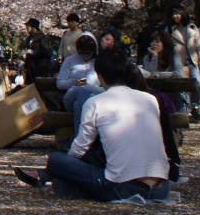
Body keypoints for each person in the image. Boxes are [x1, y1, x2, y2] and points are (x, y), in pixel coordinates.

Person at [15, 50, 171, 201]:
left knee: (56, 160)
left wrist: (63, 166)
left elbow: (80, 148)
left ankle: (46, 175)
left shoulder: (96, 102)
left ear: (99, 76)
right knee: (69, 179)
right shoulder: (150, 99)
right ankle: (53, 180)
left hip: (122, 187)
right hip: (161, 187)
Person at [56, 34, 102, 132]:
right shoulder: (70, 60)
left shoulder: (99, 62)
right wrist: (74, 82)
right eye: (83, 54)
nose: (86, 57)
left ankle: (80, 140)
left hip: (93, 97)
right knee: (81, 90)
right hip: (72, 96)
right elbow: (60, 84)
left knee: (78, 106)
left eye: (89, 54)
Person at [23, 18, 56, 83]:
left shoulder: (42, 38)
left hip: (39, 69)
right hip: (30, 70)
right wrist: (25, 65)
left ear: (33, 27)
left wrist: (33, 52)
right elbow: (28, 53)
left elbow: (47, 53)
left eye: (28, 26)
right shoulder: (28, 39)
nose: (26, 28)